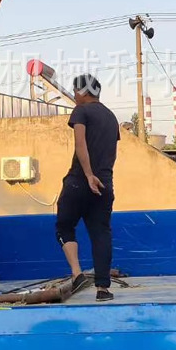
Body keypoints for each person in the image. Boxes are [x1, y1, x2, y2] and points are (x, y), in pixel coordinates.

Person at [55, 74, 119, 301]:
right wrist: (102, 177)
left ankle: (77, 274)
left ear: (82, 92)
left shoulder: (81, 111)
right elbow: (111, 152)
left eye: (75, 91)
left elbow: (80, 143)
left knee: (64, 226)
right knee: (101, 233)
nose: (74, 96)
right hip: (105, 184)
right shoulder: (111, 117)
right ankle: (103, 289)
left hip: (79, 181)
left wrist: (89, 174)